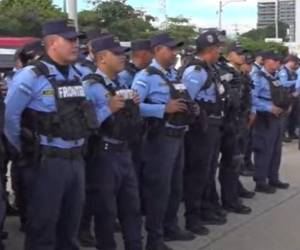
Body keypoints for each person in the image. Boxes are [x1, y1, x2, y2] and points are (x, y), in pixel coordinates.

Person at [4, 19, 98, 250]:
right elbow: (9, 118)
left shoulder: (76, 74)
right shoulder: (31, 76)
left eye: (77, 40)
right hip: (47, 162)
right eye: (70, 40)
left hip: (76, 159)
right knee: (43, 227)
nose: (76, 45)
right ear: (52, 43)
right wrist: (26, 151)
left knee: (70, 226)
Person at [132, 33, 195, 250]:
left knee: (175, 188)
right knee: (159, 190)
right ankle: (154, 238)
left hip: (178, 137)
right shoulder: (145, 76)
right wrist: (162, 109)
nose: (174, 54)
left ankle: (171, 227)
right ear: (157, 50)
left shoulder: (173, 75)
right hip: (159, 139)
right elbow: (133, 107)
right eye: (171, 49)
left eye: (176, 50)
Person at [83, 35, 143, 250]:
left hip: (125, 150)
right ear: (101, 58)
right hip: (103, 154)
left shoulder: (122, 83)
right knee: (105, 212)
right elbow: (84, 125)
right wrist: (107, 109)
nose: (122, 57)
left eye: (122, 53)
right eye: (116, 54)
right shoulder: (89, 86)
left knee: (131, 207)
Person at [181, 30, 227, 236]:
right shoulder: (195, 72)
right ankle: (192, 217)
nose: (220, 51)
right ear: (211, 49)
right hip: (200, 131)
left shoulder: (210, 69)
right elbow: (187, 102)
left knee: (207, 172)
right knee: (197, 174)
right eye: (218, 48)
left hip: (213, 127)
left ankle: (205, 209)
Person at [216, 44, 253, 214]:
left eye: (243, 54)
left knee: (237, 159)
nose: (243, 57)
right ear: (229, 55)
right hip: (229, 123)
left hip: (240, 121)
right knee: (230, 162)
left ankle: (234, 190)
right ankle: (230, 200)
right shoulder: (225, 73)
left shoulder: (241, 73)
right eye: (239, 54)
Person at [252, 51, 290, 194]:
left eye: (279, 61)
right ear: (266, 61)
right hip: (265, 117)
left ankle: (273, 177)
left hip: (277, 116)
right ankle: (260, 181)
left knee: (276, 150)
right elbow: (252, 98)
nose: (277, 64)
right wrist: (268, 107)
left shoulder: (275, 77)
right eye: (274, 61)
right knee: (264, 149)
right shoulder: (257, 77)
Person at [278, 55, 299, 142]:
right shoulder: (283, 71)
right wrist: (296, 82)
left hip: (294, 96)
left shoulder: (293, 72)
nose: (296, 65)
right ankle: (282, 135)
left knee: (294, 115)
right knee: (285, 116)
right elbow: (283, 83)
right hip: (286, 96)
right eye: (295, 63)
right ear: (290, 61)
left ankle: (292, 132)